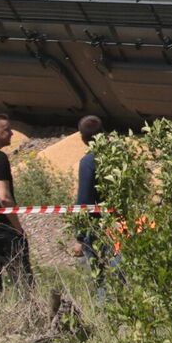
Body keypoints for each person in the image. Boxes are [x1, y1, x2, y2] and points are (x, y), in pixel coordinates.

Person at [0, 113, 34, 289]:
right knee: (23, 280)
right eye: (7, 130)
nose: (12, 134)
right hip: (2, 228)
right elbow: (4, 198)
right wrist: (17, 229)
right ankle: (31, 315)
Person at [72, 115, 110, 287]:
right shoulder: (121, 154)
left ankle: (104, 311)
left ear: (83, 139)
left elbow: (84, 201)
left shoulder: (88, 162)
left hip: (99, 228)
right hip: (126, 225)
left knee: (101, 277)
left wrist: (80, 236)